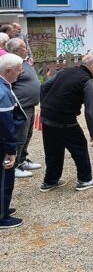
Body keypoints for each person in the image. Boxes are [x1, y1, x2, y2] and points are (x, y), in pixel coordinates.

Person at [39, 54, 93, 192]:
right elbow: (90, 110)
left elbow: (43, 86)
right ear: (92, 66)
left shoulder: (65, 71)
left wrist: (45, 106)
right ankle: (85, 180)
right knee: (79, 146)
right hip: (65, 119)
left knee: (53, 149)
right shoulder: (87, 81)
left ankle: (50, 181)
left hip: (47, 116)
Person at [6, 38, 41, 179]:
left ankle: (22, 160)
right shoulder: (11, 64)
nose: (26, 48)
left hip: (30, 105)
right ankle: (14, 166)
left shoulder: (24, 61)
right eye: (23, 46)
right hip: (21, 106)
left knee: (27, 135)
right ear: (15, 50)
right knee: (20, 136)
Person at [0, 53, 26, 229]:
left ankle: (3, 208)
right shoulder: (3, 92)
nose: (20, 73)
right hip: (2, 144)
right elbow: (5, 125)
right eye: (18, 70)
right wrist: (11, 150)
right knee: (4, 179)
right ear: (8, 70)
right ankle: (2, 217)